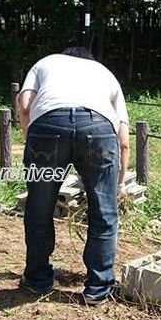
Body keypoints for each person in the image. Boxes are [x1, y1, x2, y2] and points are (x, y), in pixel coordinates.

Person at [17, 46, 130, 305]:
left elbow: (25, 106)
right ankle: (98, 288)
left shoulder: (45, 63)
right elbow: (123, 142)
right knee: (104, 212)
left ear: (65, 55)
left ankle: (37, 279)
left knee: (39, 207)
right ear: (89, 60)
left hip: (48, 126)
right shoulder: (105, 73)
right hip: (98, 128)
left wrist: (32, 141)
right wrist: (120, 184)